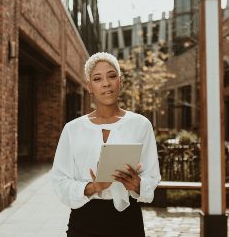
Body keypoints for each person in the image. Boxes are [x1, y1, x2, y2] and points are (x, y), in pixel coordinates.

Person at [51, 52, 161, 237]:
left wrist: (137, 185)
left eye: (111, 76)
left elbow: (152, 175)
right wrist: (94, 187)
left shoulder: (141, 125)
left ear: (120, 81)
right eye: (97, 78)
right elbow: (59, 180)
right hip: (84, 220)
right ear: (89, 87)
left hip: (128, 220)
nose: (106, 83)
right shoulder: (73, 129)